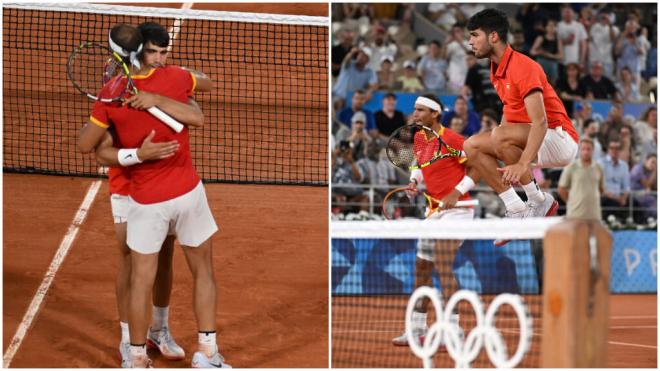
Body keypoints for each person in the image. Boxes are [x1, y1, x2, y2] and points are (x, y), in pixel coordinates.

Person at [78, 24, 229, 368]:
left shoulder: (114, 93)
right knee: (136, 269)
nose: (162, 58)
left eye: (165, 52)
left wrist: (157, 97)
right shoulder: (166, 80)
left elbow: (86, 145)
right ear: (138, 53)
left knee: (150, 271)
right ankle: (135, 345)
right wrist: (137, 154)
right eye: (155, 52)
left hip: (155, 197)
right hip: (135, 189)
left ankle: (148, 342)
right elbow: (200, 99)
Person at [463, 8, 579, 245]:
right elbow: (509, 117)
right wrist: (498, 152)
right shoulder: (496, 70)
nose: (470, 42)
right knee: (472, 145)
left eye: (475, 35)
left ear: (493, 36)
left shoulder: (523, 67)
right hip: (536, 138)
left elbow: (540, 121)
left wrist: (522, 162)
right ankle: (516, 207)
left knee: (498, 136)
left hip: (560, 139)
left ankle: (538, 200)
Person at [391, 94, 479, 347]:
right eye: (415, 110)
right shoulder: (419, 138)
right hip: (434, 211)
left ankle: (454, 331)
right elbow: (420, 164)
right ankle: (417, 330)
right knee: (422, 267)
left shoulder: (452, 139)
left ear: (435, 114)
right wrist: (414, 181)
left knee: (442, 262)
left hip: (459, 209)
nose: (415, 114)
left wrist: (457, 191)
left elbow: (478, 166)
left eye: (420, 110)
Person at [557, 138, 604, 220]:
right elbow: (561, 189)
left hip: (594, 214)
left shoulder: (598, 168)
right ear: (579, 151)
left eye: (588, 149)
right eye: (583, 149)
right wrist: (571, 202)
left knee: (593, 233)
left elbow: (601, 189)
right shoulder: (571, 167)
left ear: (593, 150)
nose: (586, 152)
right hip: (575, 213)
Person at [599, 138, 632, 221]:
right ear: (608, 149)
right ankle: (614, 223)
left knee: (635, 203)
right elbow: (599, 187)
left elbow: (626, 187)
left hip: (620, 197)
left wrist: (623, 198)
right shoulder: (600, 163)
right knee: (612, 203)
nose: (614, 151)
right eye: (612, 148)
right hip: (605, 196)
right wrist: (616, 198)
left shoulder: (624, 165)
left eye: (617, 148)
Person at [529, 19, 564, 85]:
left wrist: (548, 55)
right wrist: (539, 53)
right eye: (549, 25)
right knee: (539, 83)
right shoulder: (541, 38)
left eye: (553, 26)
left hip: (552, 63)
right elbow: (532, 51)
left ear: (556, 28)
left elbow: (561, 55)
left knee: (552, 84)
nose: (551, 28)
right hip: (541, 62)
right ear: (546, 27)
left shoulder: (558, 40)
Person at [588, 10, 619, 79]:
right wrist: (592, 21)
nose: (604, 19)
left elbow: (613, 39)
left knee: (606, 81)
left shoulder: (614, 29)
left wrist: (610, 25)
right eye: (603, 17)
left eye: (606, 18)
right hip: (594, 59)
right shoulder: (595, 26)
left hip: (607, 60)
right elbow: (589, 38)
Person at [557, 5, 588, 71]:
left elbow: (583, 44)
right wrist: (565, 41)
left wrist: (582, 60)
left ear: (573, 14)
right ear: (562, 14)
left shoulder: (579, 26)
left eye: (569, 12)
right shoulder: (559, 25)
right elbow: (557, 42)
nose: (567, 14)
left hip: (575, 60)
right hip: (561, 61)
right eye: (566, 12)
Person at [630, 154, 657, 221]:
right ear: (646, 161)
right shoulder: (637, 168)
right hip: (634, 193)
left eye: (656, 164)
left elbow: (654, 187)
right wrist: (655, 171)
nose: (653, 165)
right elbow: (647, 184)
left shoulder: (650, 172)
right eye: (652, 162)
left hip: (646, 195)